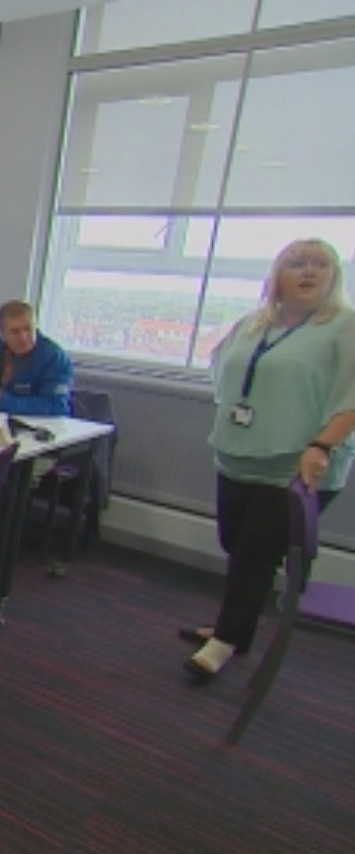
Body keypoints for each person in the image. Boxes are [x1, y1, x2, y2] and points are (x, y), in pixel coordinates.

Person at [183, 238, 355, 681]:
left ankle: (223, 643)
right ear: (277, 275)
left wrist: (321, 446)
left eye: (320, 264)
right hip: (239, 454)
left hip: (297, 464)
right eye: (297, 263)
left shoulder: (344, 326)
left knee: (256, 554)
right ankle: (235, 628)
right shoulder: (255, 323)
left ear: (334, 276)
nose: (309, 271)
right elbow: (223, 370)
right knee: (235, 543)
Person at [0, 300, 73, 416]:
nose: (23, 338)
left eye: (28, 329)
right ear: (3, 334)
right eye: (15, 332)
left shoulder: (55, 357)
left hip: (38, 423)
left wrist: (6, 403)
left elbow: (57, 406)